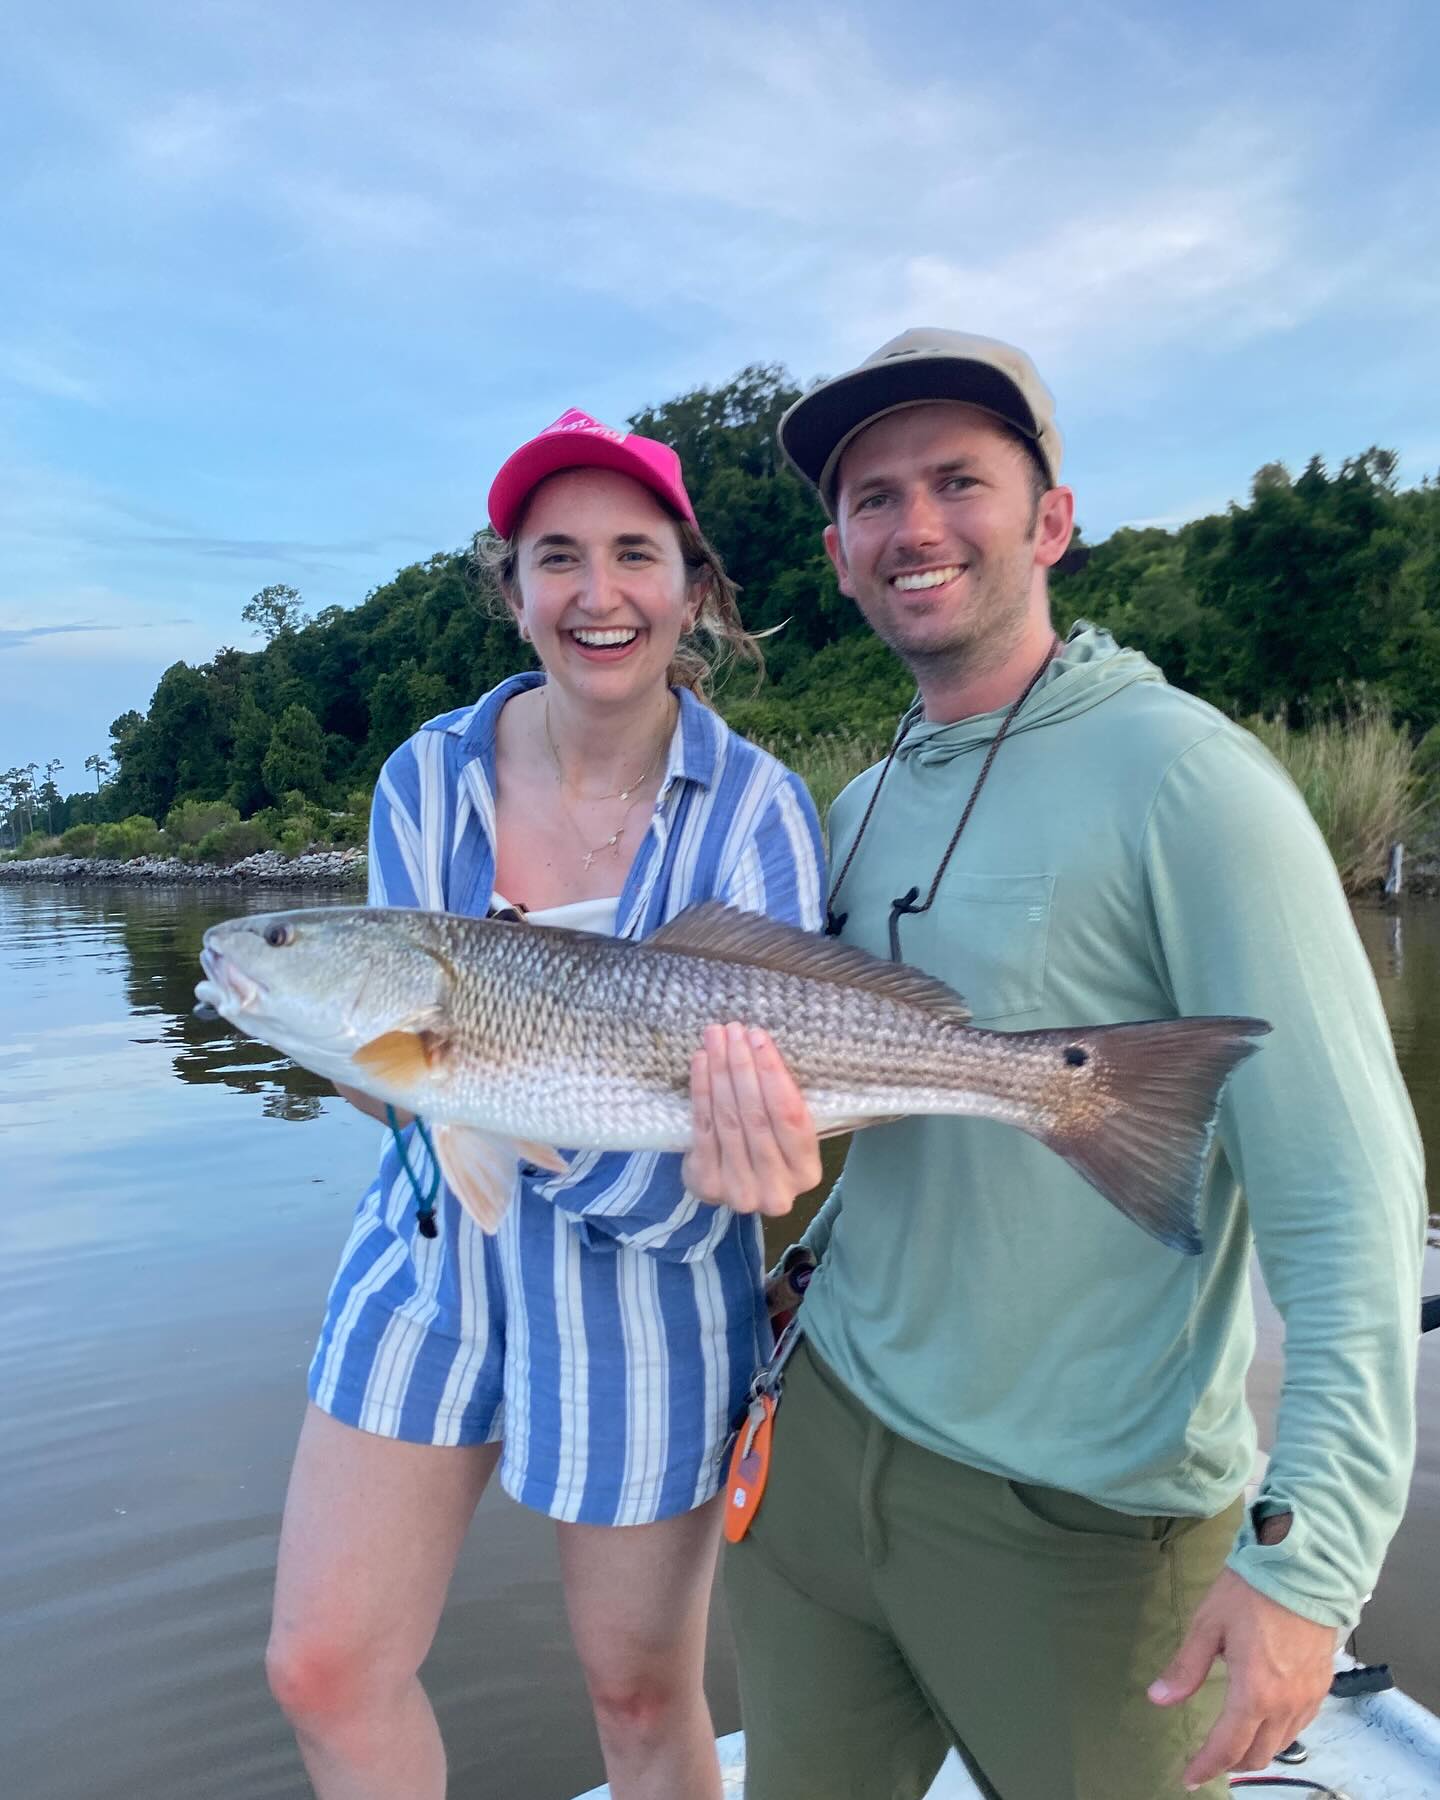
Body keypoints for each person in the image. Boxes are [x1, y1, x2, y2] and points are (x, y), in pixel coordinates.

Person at [689, 329, 1427, 1799]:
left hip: (1082, 1525)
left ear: (1052, 521)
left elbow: (1349, 1194)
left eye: (959, 480)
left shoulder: (1190, 781)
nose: (915, 525)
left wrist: (1311, 1563)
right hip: (821, 1460)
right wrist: (799, 1252)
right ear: (838, 557)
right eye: (873, 498)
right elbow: (897, 1112)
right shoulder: (854, 806)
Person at [264, 407, 825, 1800]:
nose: (596, 593)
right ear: (511, 590)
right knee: (324, 1669)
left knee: (638, 1696)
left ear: (693, 590)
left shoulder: (757, 813)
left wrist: (750, 1160)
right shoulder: (425, 776)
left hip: (651, 1288)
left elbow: (732, 1170)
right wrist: (395, 1071)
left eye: (635, 554)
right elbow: (407, 1088)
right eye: (555, 557)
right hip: (433, 1253)